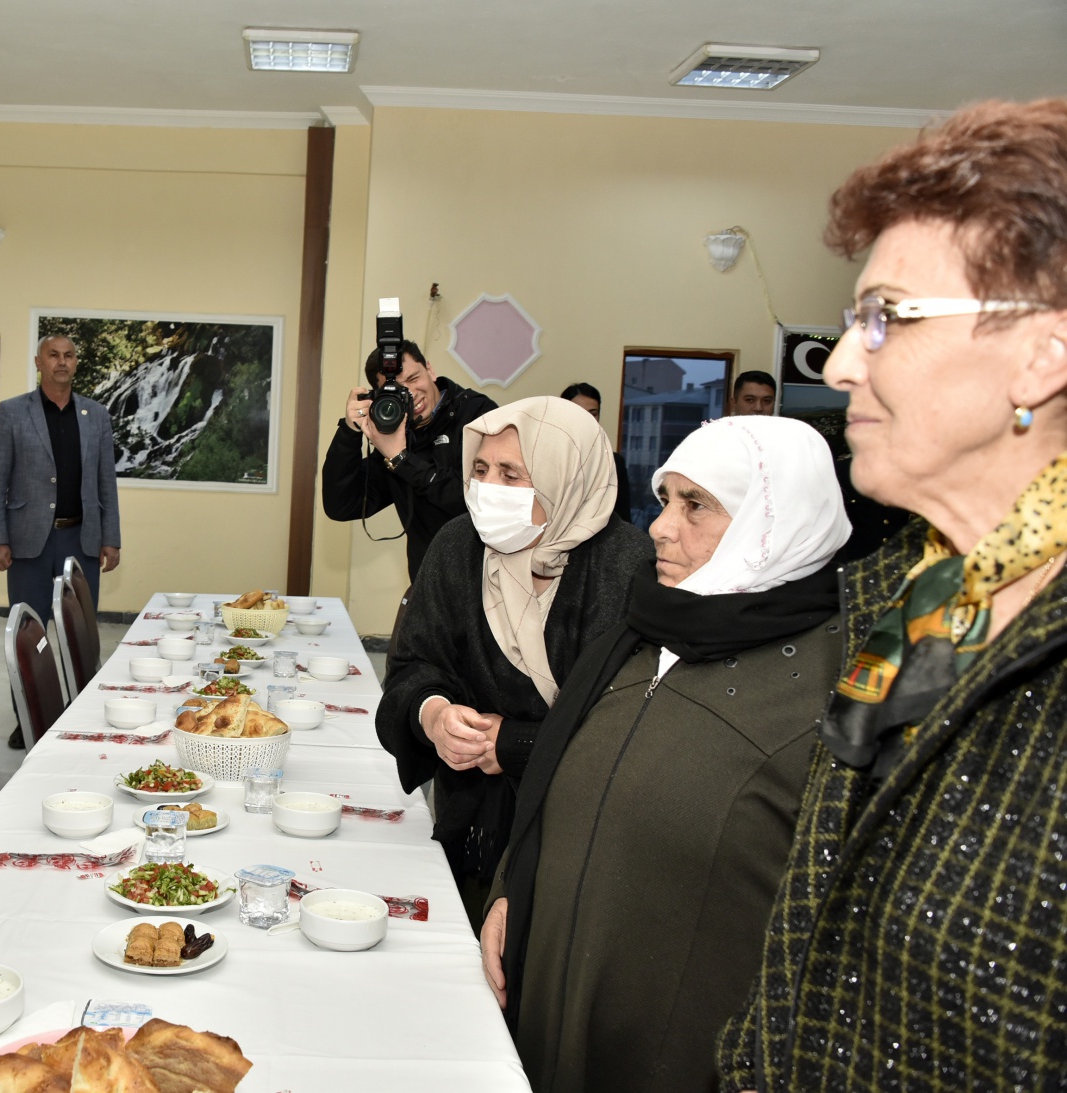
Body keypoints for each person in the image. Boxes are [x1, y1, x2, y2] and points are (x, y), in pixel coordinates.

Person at [718, 98, 1067, 1093]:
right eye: (846, 321)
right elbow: (813, 920)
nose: (834, 365)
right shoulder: (915, 597)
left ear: (1041, 353)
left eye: (884, 319)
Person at [478, 415, 851, 1093]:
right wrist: (512, 886)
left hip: (673, 1051)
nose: (660, 525)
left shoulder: (831, 689)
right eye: (665, 498)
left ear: (774, 521)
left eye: (697, 505)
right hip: (551, 1001)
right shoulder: (645, 626)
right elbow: (558, 784)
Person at [376, 398, 651, 925]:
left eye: (511, 474)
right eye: (479, 470)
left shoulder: (630, 570)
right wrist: (432, 715)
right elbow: (414, 662)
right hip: (474, 825)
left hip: (584, 842)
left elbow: (634, 723)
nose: (488, 489)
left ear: (565, 479)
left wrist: (517, 745)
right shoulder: (459, 545)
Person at [0, 334, 121, 747]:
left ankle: (79, 715)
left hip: (81, 539)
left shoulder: (95, 415)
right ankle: (26, 718)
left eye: (69, 356)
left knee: (80, 635)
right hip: (28, 545)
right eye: (53, 355)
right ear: (39, 362)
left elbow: (105, 482)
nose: (62, 362)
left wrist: (111, 537)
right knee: (28, 633)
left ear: (76, 363)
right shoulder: (12, 412)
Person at [322, 340, 497, 581]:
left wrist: (402, 460)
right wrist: (349, 432)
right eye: (397, 390)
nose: (411, 394)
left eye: (414, 379)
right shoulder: (397, 439)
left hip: (485, 584)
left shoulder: (477, 415)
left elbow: (477, 502)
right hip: (428, 585)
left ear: (430, 370)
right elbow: (342, 505)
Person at [559, 382, 631, 521]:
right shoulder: (545, 457)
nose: (587, 420)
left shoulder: (613, 462)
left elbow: (623, 518)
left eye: (593, 414)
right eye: (578, 413)